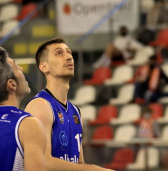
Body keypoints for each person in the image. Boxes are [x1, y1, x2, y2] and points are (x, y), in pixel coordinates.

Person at [24, 38, 108, 170]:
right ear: (44, 66)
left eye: (69, 52)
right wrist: (94, 169)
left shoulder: (75, 111)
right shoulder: (40, 105)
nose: (68, 57)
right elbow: (42, 163)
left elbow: (79, 164)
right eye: (59, 53)